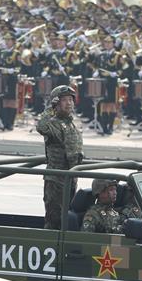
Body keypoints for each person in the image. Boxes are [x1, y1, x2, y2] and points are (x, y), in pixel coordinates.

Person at [36, 86, 83, 230]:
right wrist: (50, 109)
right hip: (56, 180)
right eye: (64, 100)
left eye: (70, 100)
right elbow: (41, 127)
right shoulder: (53, 123)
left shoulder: (71, 124)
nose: (69, 103)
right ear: (56, 103)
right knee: (54, 220)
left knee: (67, 218)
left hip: (70, 178)